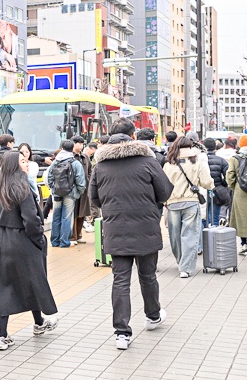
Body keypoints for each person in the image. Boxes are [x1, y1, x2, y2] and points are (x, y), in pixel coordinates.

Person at [89, 118, 173, 350]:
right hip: (146, 228)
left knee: (120, 279)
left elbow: (94, 198)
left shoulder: (101, 166)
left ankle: (122, 333)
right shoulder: (148, 161)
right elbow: (164, 192)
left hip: (115, 229)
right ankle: (153, 316)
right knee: (148, 275)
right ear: (133, 136)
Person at [0, 151, 59, 350]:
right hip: (22, 242)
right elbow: (31, 221)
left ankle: (3, 335)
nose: (27, 164)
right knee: (33, 281)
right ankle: (39, 323)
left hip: (0, 243)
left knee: (5, 288)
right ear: (14, 166)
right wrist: (39, 240)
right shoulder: (22, 188)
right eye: (23, 161)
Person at [163, 136, 213, 278]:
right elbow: (206, 182)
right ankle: (185, 268)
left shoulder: (169, 163)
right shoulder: (196, 161)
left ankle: (181, 262)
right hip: (191, 202)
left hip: (172, 203)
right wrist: (210, 185)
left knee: (175, 236)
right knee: (190, 235)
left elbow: (163, 184)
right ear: (191, 146)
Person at [46, 140, 86, 249]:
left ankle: (55, 241)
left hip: (56, 193)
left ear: (62, 148)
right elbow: (80, 181)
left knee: (56, 216)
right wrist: (78, 192)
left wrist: (53, 188)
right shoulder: (75, 163)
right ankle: (64, 241)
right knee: (66, 218)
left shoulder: (55, 162)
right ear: (72, 148)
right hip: (70, 194)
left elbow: (49, 177)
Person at [70, 135, 92, 244]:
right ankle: (73, 236)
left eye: (82, 143)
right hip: (73, 189)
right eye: (79, 143)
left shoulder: (85, 157)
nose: (81, 145)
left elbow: (90, 170)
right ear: (73, 144)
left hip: (84, 188)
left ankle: (79, 235)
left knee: (82, 212)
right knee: (73, 212)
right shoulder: (70, 156)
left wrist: (88, 180)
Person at [204, 137, 228, 227]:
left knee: (203, 216)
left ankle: (204, 234)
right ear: (214, 147)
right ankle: (214, 233)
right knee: (215, 217)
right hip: (217, 190)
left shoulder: (199, 160)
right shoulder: (221, 160)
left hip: (203, 190)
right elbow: (228, 175)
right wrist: (223, 184)